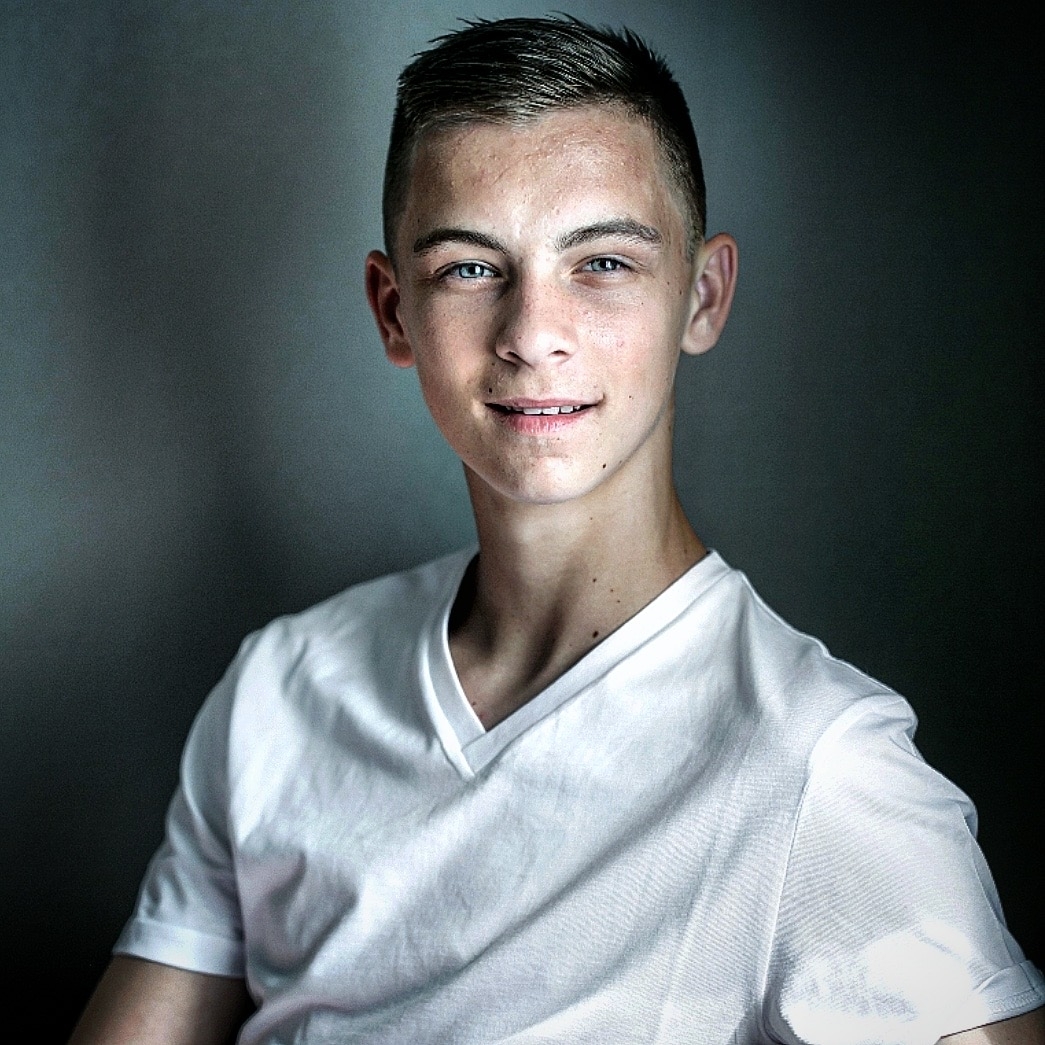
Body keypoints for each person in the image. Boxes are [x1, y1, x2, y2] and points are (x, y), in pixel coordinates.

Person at [69, 15, 1044, 1045]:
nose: (533, 334)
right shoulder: (280, 690)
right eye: (470, 269)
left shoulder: (818, 768)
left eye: (603, 262)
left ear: (702, 296)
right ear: (393, 312)